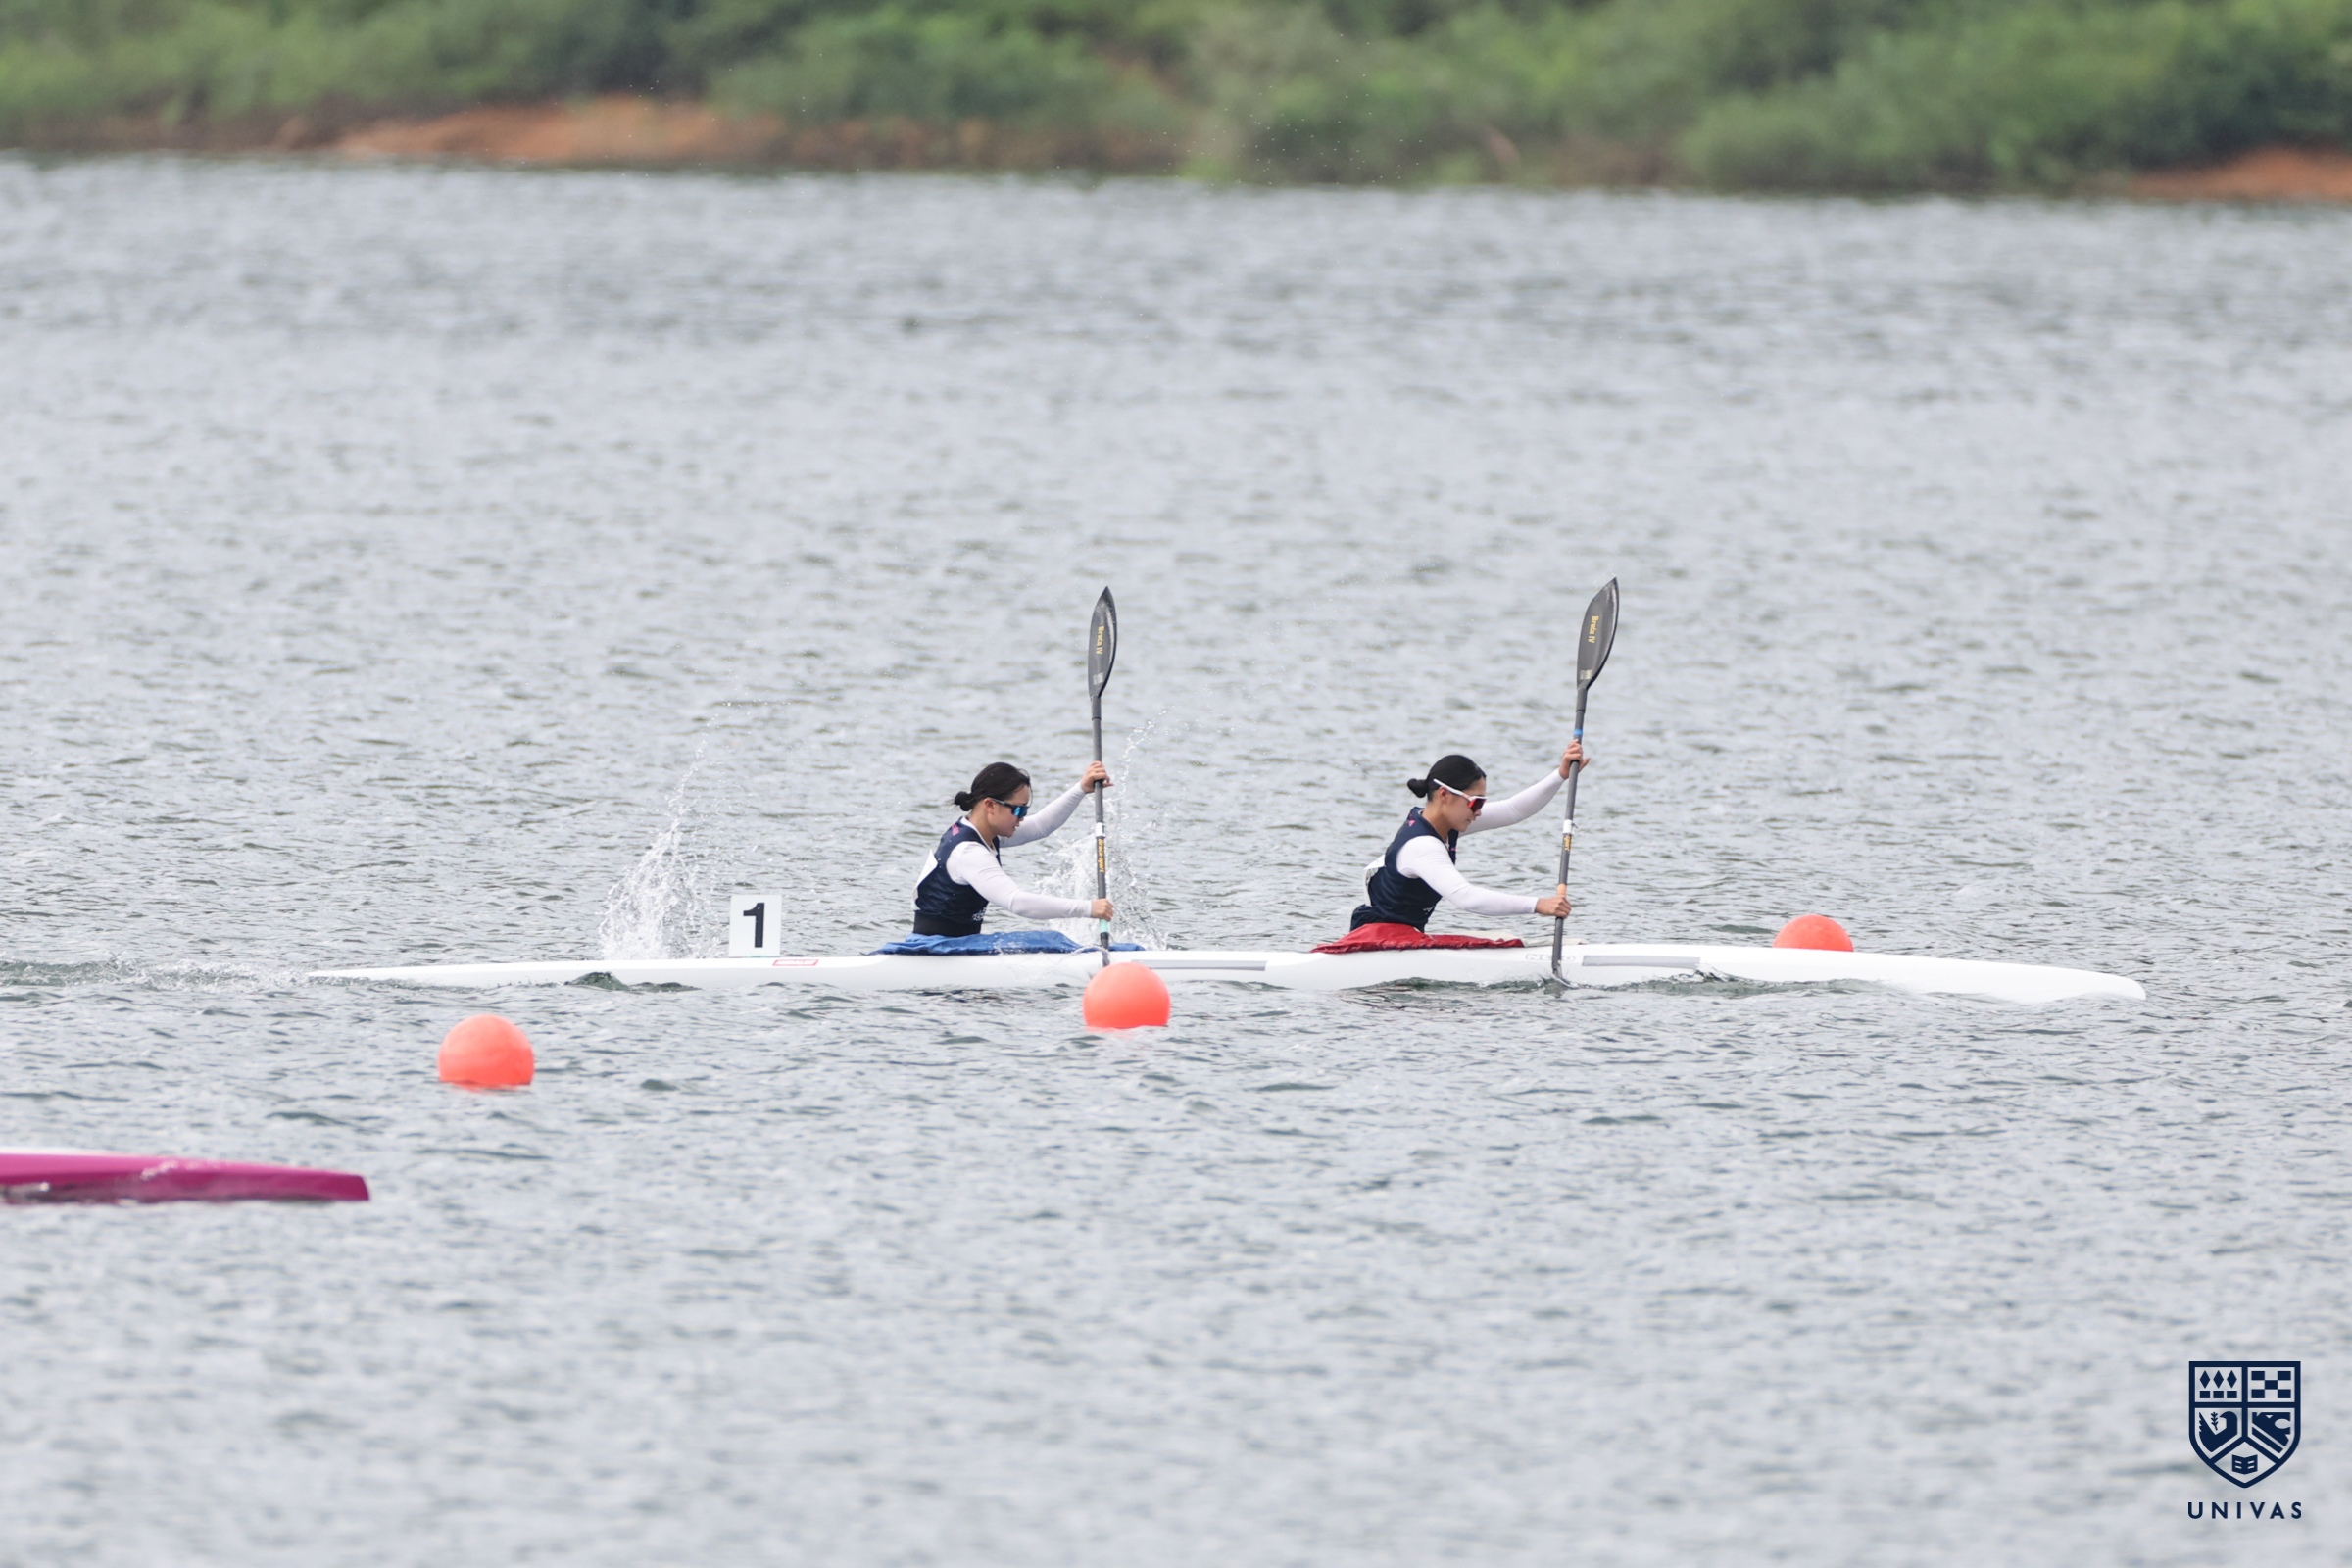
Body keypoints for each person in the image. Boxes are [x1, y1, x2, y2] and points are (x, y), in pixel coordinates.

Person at [1349, 745, 1590, 931]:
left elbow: (1513, 810)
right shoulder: (1422, 845)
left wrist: (1560, 775)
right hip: (1376, 939)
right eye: (1475, 802)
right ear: (1444, 795)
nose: (1479, 812)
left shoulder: (1443, 823)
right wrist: (1537, 905)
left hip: (1401, 936)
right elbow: (1466, 897)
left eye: (1482, 803)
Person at [913, 760, 1113, 937]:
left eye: (1025, 810)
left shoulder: (982, 832)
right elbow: (1017, 902)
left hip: (956, 944)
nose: (1022, 817)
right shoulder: (969, 852)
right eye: (1018, 809)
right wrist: (1088, 908)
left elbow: (1041, 825)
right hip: (936, 949)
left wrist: (1081, 789)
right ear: (990, 805)